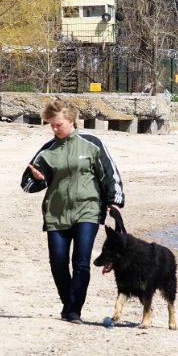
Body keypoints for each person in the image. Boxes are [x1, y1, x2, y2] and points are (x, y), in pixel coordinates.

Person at [21, 99, 124, 322]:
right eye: (52, 125)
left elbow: (109, 173)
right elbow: (27, 183)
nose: (54, 129)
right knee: (58, 263)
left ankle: (74, 310)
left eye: (58, 124)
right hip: (56, 214)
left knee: (81, 262)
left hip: (88, 210)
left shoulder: (92, 143)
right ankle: (68, 303)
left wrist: (114, 201)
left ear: (71, 121)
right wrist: (39, 180)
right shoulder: (47, 151)